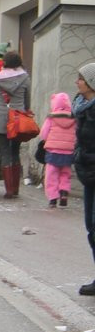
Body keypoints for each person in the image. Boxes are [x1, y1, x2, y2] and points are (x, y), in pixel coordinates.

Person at [0, 51, 30, 199]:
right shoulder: (25, 78)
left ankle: (9, 190)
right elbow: (27, 102)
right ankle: (16, 188)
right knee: (15, 152)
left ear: (4, 63)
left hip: (1, 120)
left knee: (4, 152)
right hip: (18, 120)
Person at [72, 62, 95, 295]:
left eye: (81, 79)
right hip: (88, 174)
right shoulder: (81, 106)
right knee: (90, 225)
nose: (77, 82)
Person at [40, 92, 76, 209]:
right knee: (65, 173)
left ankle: (53, 198)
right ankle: (64, 193)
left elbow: (44, 134)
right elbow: (77, 133)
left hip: (53, 151)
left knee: (51, 174)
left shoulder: (51, 118)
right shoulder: (73, 118)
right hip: (69, 151)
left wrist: (46, 140)